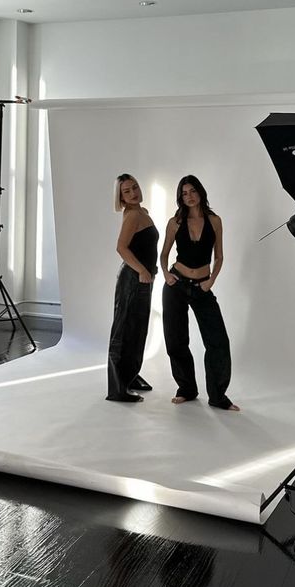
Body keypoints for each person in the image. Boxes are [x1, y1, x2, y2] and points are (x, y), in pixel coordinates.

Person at [160, 175, 240, 411]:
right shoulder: (175, 222)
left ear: (201, 192)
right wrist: (165, 273)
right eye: (184, 193)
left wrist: (211, 281)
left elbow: (220, 255)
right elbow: (164, 253)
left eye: (193, 191)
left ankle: (217, 396)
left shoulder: (215, 220)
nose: (189, 196)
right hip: (176, 284)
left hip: (203, 286)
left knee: (218, 341)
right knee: (176, 340)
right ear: (180, 198)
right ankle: (186, 389)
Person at [106, 174, 158, 403]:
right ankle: (117, 388)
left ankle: (131, 376)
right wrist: (142, 270)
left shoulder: (141, 212)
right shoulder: (133, 215)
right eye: (127, 191)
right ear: (121, 197)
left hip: (143, 279)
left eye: (135, 187)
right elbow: (121, 247)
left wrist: (147, 273)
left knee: (138, 330)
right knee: (124, 331)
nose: (134, 192)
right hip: (133, 279)